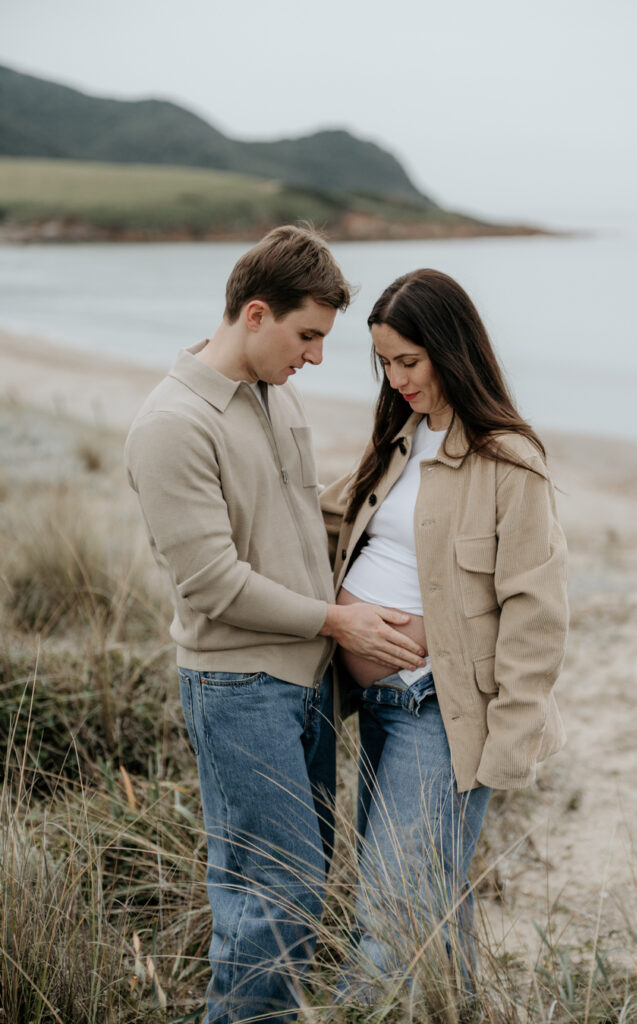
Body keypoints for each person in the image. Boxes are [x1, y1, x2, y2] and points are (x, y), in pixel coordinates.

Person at [124, 225, 426, 1024]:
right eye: (307, 336)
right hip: (236, 687)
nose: (316, 357)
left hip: (306, 683)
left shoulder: (277, 393)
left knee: (301, 880)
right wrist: (339, 621)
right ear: (255, 314)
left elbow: (303, 522)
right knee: (275, 888)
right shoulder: (171, 425)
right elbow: (212, 585)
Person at [322, 268, 569, 999]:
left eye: (409, 361)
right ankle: (454, 1009)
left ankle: (357, 1013)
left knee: (390, 906)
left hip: (440, 711)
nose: (396, 380)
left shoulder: (508, 461)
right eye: (385, 364)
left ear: (451, 349)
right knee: (430, 897)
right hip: (376, 705)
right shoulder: (398, 440)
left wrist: (509, 743)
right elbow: (335, 522)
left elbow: (536, 612)